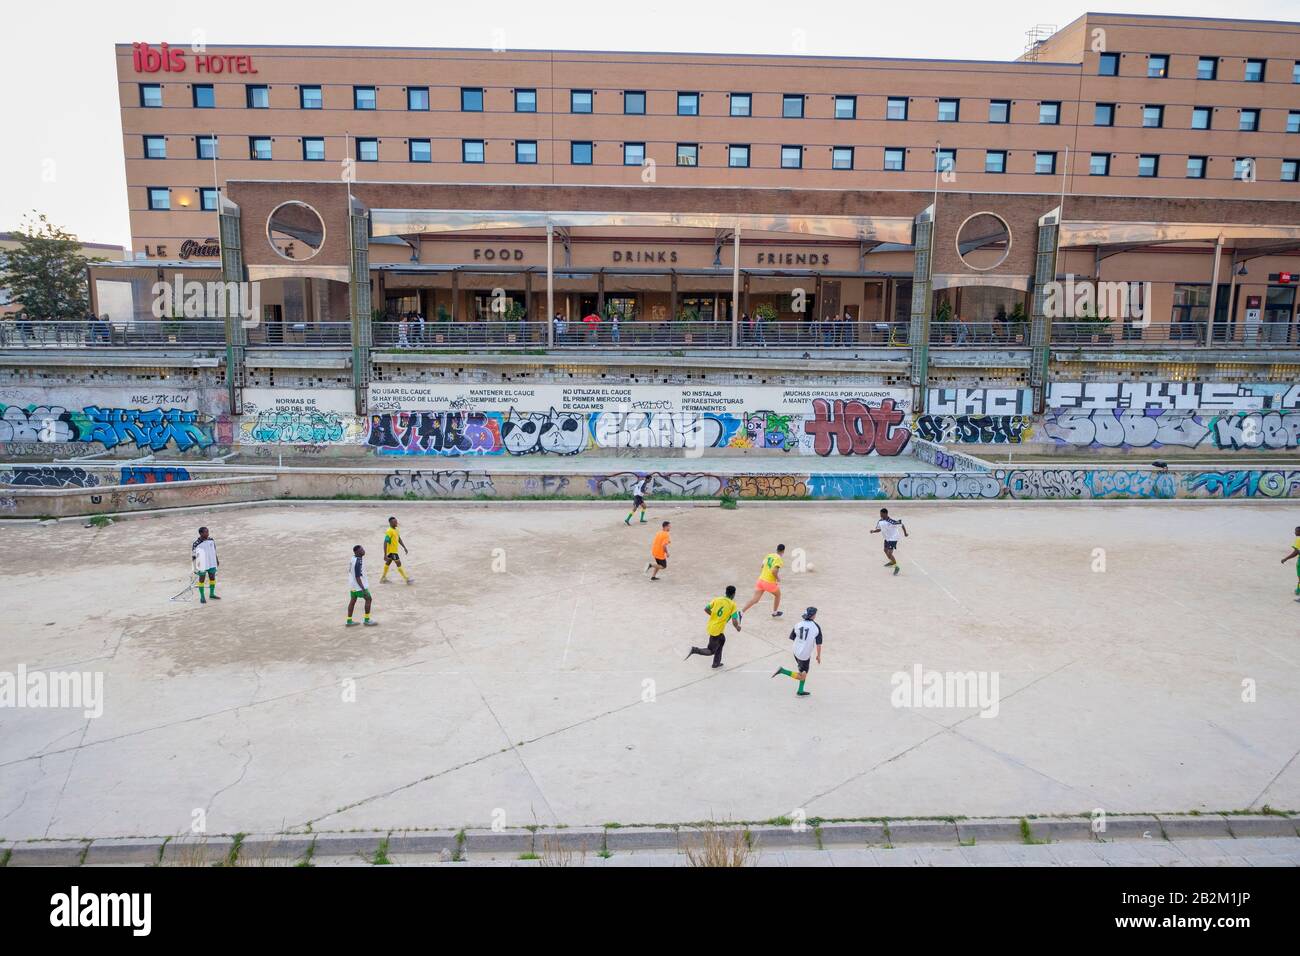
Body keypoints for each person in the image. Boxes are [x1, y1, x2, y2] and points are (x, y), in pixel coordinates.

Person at [685, 584, 742, 669]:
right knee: (711, 650)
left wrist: (715, 616)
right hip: (716, 630)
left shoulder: (717, 599)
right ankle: (695, 650)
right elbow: (734, 621)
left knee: (722, 640)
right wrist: (737, 627)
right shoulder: (732, 605)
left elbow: (706, 609)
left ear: (726, 593)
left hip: (712, 626)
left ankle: (716, 663)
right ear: (733, 594)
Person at [772, 606, 822, 697]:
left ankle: (800, 690)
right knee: (802, 675)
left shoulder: (798, 624)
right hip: (804, 654)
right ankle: (783, 671)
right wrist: (818, 656)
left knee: (802, 671)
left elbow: (792, 637)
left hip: (795, 650)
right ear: (813, 616)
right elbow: (819, 644)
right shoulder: (816, 627)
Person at [741, 544, 785, 618]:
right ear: (783, 551)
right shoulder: (779, 559)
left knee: (755, 599)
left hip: (760, 580)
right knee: (778, 595)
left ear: (776, 549)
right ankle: (775, 612)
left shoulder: (769, 555)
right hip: (769, 582)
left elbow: (762, 566)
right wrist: (777, 578)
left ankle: (741, 612)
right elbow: (774, 571)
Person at [871, 508, 908, 575]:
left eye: (881, 513)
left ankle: (896, 567)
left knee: (890, 553)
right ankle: (892, 562)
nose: (880, 515)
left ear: (885, 514)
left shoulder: (891, 521)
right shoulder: (880, 521)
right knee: (885, 550)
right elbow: (879, 529)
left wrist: (905, 533)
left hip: (893, 538)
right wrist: (873, 531)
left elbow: (902, 524)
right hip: (887, 538)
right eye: (880, 513)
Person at [347, 545, 377, 626]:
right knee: (369, 599)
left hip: (352, 585)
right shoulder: (358, 562)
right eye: (361, 550)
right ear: (357, 552)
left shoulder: (353, 558)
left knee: (352, 601)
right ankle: (367, 620)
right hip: (359, 586)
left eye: (363, 549)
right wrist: (363, 589)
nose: (363, 551)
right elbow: (357, 577)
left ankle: (349, 621)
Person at [379, 516, 412, 584]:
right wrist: (385, 555)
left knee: (388, 563)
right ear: (390, 523)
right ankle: (406, 579)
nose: (396, 523)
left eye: (396, 521)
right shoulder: (389, 531)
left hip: (394, 551)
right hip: (392, 552)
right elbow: (385, 542)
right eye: (395, 522)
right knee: (399, 564)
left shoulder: (396, 529)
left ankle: (383, 578)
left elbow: (399, 539)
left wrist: (404, 547)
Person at [191, 527, 220, 605]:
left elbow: (214, 550)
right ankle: (202, 596)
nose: (207, 534)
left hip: (212, 562)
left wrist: (216, 560)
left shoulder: (211, 540)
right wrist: (195, 566)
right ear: (200, 533)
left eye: (208, 532)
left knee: (212, 577)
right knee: (202, 580)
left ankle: (212, 594)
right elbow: (193, 556)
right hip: (202, 564)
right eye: (205, 532)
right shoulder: (196, 543)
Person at [1282, 526, 1300, 601]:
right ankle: (1298, 590)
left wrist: (1286, 558)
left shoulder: (1298, 539)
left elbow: (1296, 552)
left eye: (1296, 531)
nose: (1294, 532)